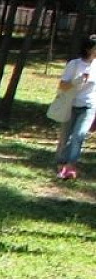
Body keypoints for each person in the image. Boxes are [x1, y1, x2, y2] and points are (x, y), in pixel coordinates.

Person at [54, 35, 96, 180]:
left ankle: (71, 166)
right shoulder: (74, 64)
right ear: (88, 48)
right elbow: (62, 85)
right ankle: (61, 165)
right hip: (70, 105)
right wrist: (77, 81)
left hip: (89, 107)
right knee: (65, 137)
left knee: (79, 136)